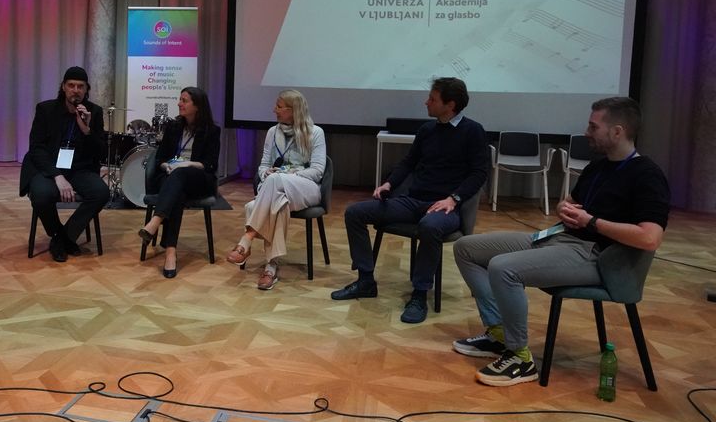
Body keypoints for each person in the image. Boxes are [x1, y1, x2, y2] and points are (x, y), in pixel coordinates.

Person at [452, 97, 670, 387]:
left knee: (503, 268)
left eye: (593, 127)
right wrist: (564, 209)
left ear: (617, 132)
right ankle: (499, 333)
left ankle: (520, 358)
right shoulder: (598, 166)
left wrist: (590, 222)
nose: (587, 132)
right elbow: (569, 202)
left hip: (597, 256)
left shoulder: (648, 175)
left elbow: (650, 238)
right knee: (466, 248)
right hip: (560, 237)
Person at [332, 77, 489, 324]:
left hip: (444, 206)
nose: (426, 102)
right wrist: (389, 184)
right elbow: (408, 163)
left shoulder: (473, 131)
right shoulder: (427, 130)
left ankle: (419, 294)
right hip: (412, 201)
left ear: (450, 104)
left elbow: (479, 172)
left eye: (432, 99)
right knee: (355, 213)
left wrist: (453, 199)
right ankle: (365, 280)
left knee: (429, 226)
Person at [225, 89, 325, 290]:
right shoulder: (273, 132)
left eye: (279, 107)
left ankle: (247, 239)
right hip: (277, 192)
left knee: (274, 183)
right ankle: (270, 268)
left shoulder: (315, 132)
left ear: (293, 110)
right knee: (279, 205)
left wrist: (290, 175)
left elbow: (317, 171)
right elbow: (263, 166)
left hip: (305, 188)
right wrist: (266, 173)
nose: (274, 110)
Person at [19, 66, 109, 263]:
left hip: (80, 168)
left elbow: (101, 152)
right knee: (42, 195)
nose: (75, 90)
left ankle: (63, 238)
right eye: (71, 85)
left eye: (80, 86)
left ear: (86, 89)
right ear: (63, 87)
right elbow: (36, 148)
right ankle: (58, 234)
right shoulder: (45, 109)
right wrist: (57, 176)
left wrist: (87, 130)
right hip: (48, 168)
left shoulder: (94, 112)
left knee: (101, 193)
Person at [139, 87, 220, 278]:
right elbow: (160, 158)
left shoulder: (211, 131)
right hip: (171, 177)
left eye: (184, 100)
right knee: (178, 191)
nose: (179, 103)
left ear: (197, 106)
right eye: (180, 99)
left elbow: (210, 164)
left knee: (181, 175)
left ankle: (155, 221)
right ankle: (170, 253)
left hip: (198, 178)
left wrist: (187, 164)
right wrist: (167, 165)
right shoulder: (173, 127)